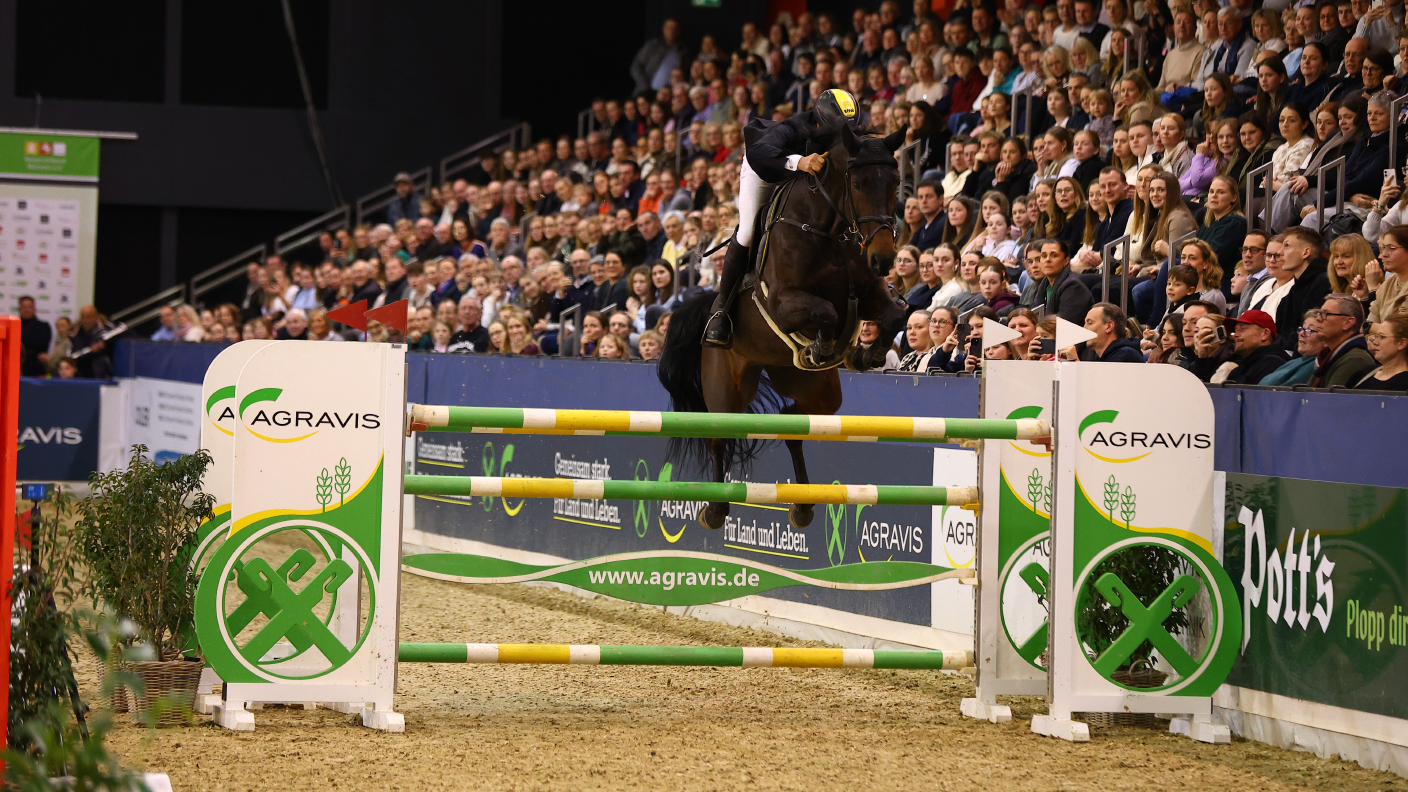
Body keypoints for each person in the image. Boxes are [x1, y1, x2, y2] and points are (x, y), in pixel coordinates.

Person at [704, 88, 860, 347]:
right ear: (820, 120)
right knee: (747, 231)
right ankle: (721, 311)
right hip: (766, 172)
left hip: (808, 178)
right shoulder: (794, 127)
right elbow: (758, 152)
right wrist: (798, 162)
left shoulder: (851, 125)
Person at [1309, 293, 1376, 386]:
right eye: (1319, 313)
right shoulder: (1327, 355)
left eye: (1326, 314)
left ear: (1347, 323)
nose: (1318, 319)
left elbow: (1329, 399)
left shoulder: (1355, 359)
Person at [1218, 309, 1292, 383]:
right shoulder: (1243, 366)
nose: (1235, 335)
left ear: (1265, 334)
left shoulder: (1272, 363)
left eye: (1243, 329)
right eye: (1235, 331)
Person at [1035, 238, 1093, 324]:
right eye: (1044, 256)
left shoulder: (1074, 287)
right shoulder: (1043, 286)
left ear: (1066, 261)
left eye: (1054, 255)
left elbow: (1065, 324)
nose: (1047, 259)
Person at [1353, 314, 1408, 388]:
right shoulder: (1365, 373)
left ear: (1402, 343)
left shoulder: (1404, 383)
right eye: (1376, 336)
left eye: (1382, 337)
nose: (1375, 342)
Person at [1080, 302, 1144, 361]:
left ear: (1109, 326)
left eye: (1090, 323)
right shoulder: (1098, 357)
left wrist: (1074, 360)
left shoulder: (1126, 355)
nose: (1084, 328)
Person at [17, 296, 51, 377]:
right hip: (16, 365)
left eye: (29, 307)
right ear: (19, 309)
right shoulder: (15, 326)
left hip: (36, 366)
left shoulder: (43, 326)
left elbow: (42, 343)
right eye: (24, 307)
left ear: (34, 308)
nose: (27, 310)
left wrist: (22, 343)